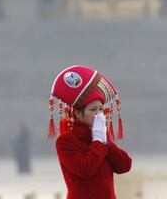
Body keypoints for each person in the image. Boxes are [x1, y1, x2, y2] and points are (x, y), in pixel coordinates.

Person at [48, 65, 132, 198]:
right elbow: (86, 169)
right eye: (93, 110)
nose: (99, 114)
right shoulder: (65, 141)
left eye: (100, 109)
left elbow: (125, 165)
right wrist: (98, 141)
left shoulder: (99, 134)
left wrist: (105, 141)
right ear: (78, 113)